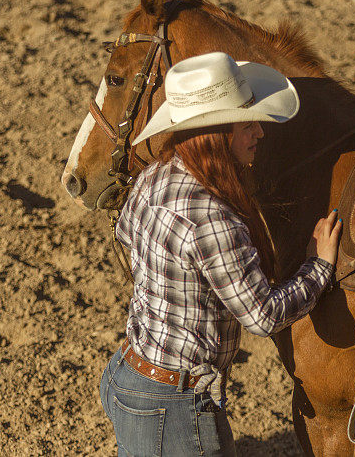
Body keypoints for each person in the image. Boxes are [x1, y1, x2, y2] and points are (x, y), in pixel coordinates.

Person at [99, 52, 342, 456]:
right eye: (247, 124)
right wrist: (319, 265)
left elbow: (127, 234)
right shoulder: (213, 218)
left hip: (129, 374)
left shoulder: (154, 176)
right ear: (215, 134)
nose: (259, 134)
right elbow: (262, 316)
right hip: (175, 405)